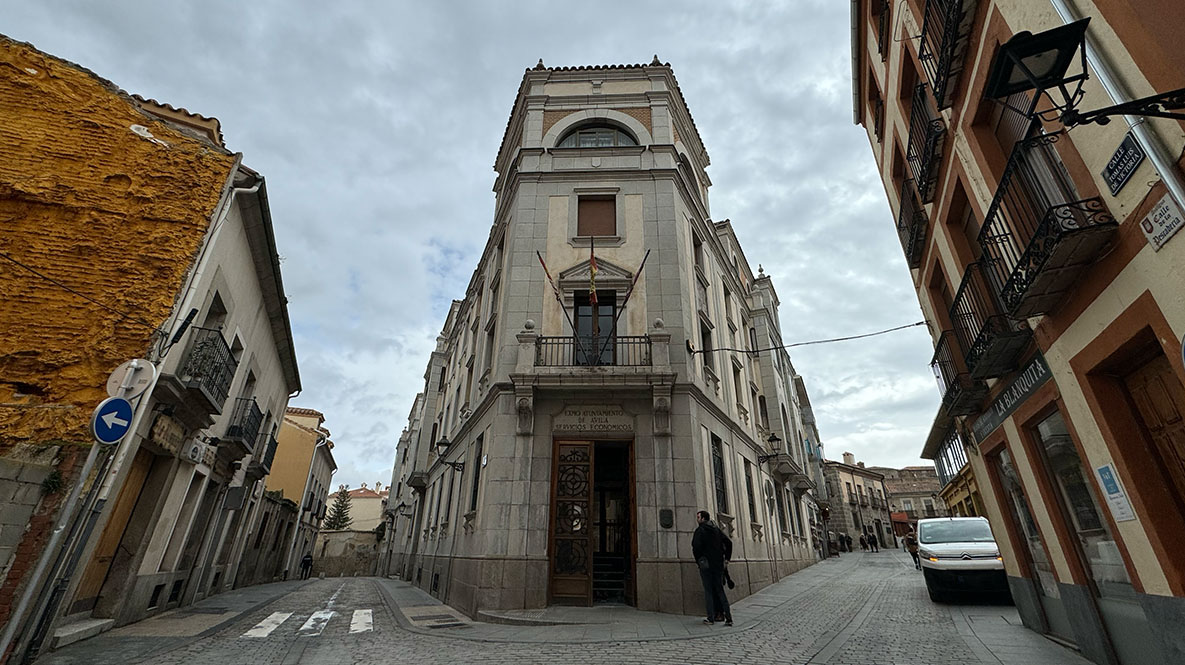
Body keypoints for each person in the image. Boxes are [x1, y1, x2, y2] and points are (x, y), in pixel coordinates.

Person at [692, 510, 733, 626]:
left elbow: (696, 547)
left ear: (703, 519)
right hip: (718, 565)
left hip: (706, 566)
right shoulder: (716, 530)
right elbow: (729, 543)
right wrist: (726, 559)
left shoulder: (700, 531)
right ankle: (729, 618)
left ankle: (711, 618)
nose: (697, 519)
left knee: (708, 591)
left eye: (698, 517)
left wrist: (699, 560)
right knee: (720, 591)